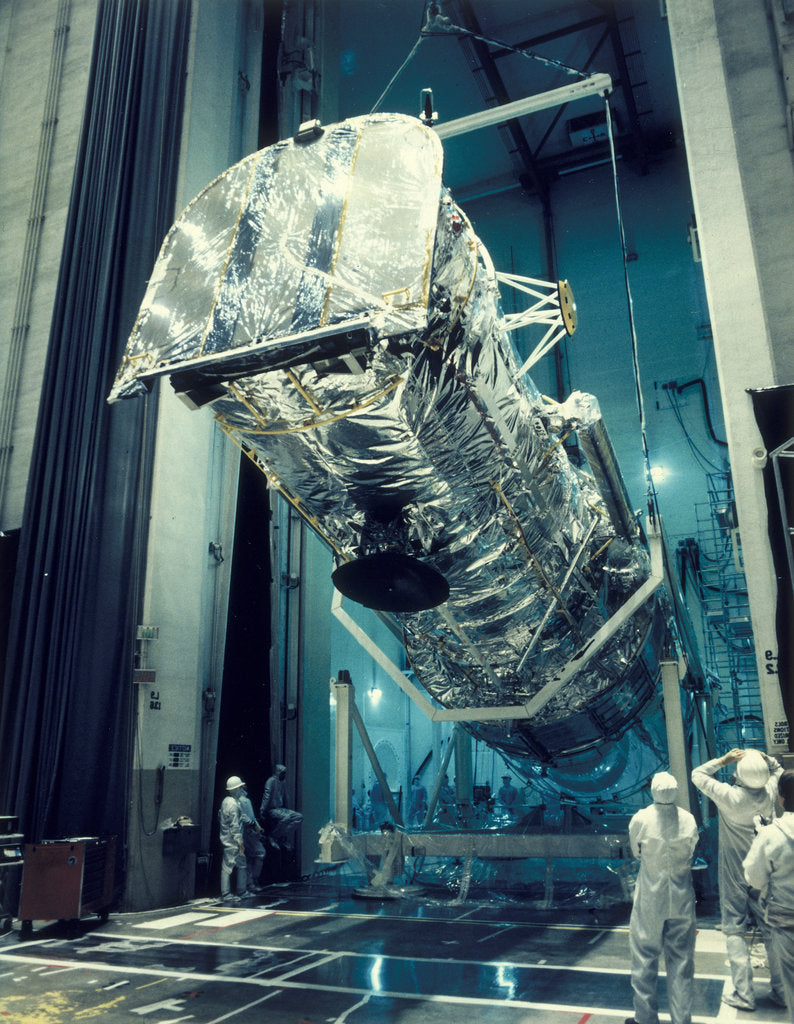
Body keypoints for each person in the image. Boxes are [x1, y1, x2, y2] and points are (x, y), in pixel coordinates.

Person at [691, 747, 785, 1010]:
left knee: (734, 929)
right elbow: (777, 770)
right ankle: (781, 991)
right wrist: (764, 757)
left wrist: (724, 760)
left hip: (734, 872)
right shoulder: (769, 790)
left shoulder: (729, 796)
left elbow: (697, 775)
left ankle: (744, 994)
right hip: (764, 872)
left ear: (739, 775)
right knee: (771, 931)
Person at [625, 771, 699, 1024]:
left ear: (653, 791)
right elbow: (691, 851)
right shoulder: (688, 819)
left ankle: (645, 1019)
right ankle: (681, 1020)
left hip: (650, 899)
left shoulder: (641, 819)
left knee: (644, 960)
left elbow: (636, 852)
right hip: (682, 898)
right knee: (681, 963)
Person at [744, 768, 794, 1017]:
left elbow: (754, 879)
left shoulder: (770, 834)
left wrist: (759, 838)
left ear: (781, 798)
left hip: (786, 921)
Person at [218, 775, 249, 903]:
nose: (242, 789)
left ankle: (241, 890)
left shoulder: (226, 801)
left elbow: (220, 817)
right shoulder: (234, 806)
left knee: (240, 864)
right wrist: (240, 843)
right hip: (233, 843)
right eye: (240, 787)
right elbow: (235, 827)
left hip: (227, 839)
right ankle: (226, 894)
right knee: (228, 867)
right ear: (236, 789)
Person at [259, 763, 303, 850]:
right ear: (277, 772)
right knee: (287, 817)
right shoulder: (271, 781)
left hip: (281, 809)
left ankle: (282, 836)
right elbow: (266, 796)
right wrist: (262, 810)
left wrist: (288, 809)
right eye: (283, 773)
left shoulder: (283, 782)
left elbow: (286, 796)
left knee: (299, 817)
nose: (284, 775)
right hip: (272, 809)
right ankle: (273, 836)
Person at [238, 783, 266, 891]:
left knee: (248, 857)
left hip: (244, 832)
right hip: (248, 832)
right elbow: (250, 818)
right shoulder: (244, 801)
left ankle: (249, 883)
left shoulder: (237, 801)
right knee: (260, 853)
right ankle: (253, 880)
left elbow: (252, 818)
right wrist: (257, 828)